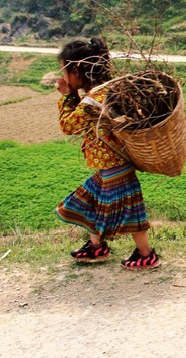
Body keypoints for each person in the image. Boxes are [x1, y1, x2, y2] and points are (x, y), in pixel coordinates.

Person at [54, 37, 160, 269]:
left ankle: (146, 254)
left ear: (77, 70)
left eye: (65, 71)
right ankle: (96, 246)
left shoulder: (94, 98)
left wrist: (67, 96)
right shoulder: (107, 89)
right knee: (92, 202)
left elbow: (69, 126)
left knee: (131, 212)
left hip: (114, 164)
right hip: (110, 162)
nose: (63, 77)